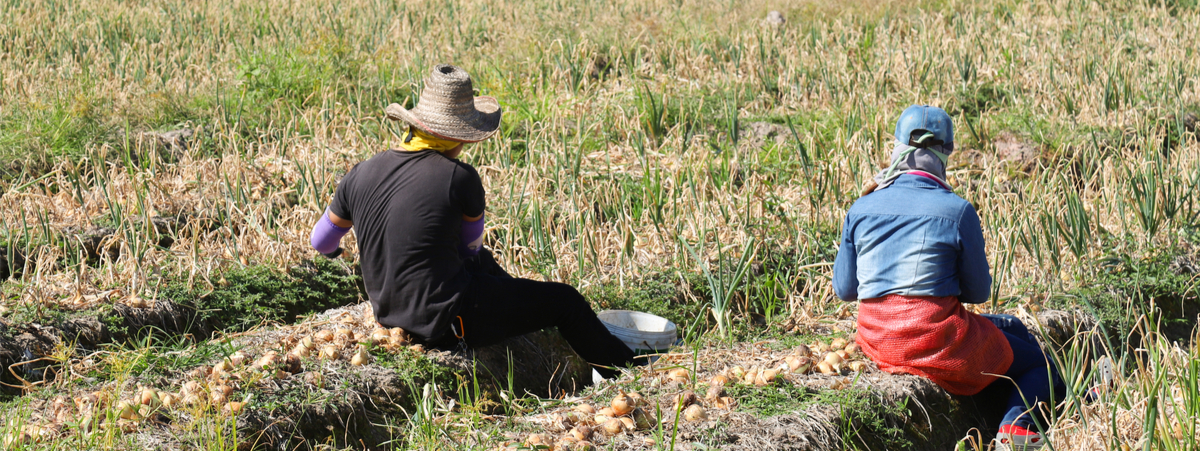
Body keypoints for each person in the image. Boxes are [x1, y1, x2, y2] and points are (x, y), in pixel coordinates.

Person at [309, 64, 637, 379]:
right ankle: (627, 373)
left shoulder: (360, 173)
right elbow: (469, 250)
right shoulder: (460, 178)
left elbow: (321, 241)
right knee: (566, 302)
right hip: (445, 324)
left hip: (390, 315)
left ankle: (520, 302)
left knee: (486, 265)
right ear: (458, 136)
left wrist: (340, 255)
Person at [832, 105, 1065, 450]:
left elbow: (845, 289)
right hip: (937, 341)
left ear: (896, 146)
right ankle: (1017, 430)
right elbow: (977, 290)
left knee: (1012, 327)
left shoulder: (861, 207)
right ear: (946, 153)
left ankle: (1044, 399)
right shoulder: (957, 210)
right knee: (1040, 367)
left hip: (878, 338)